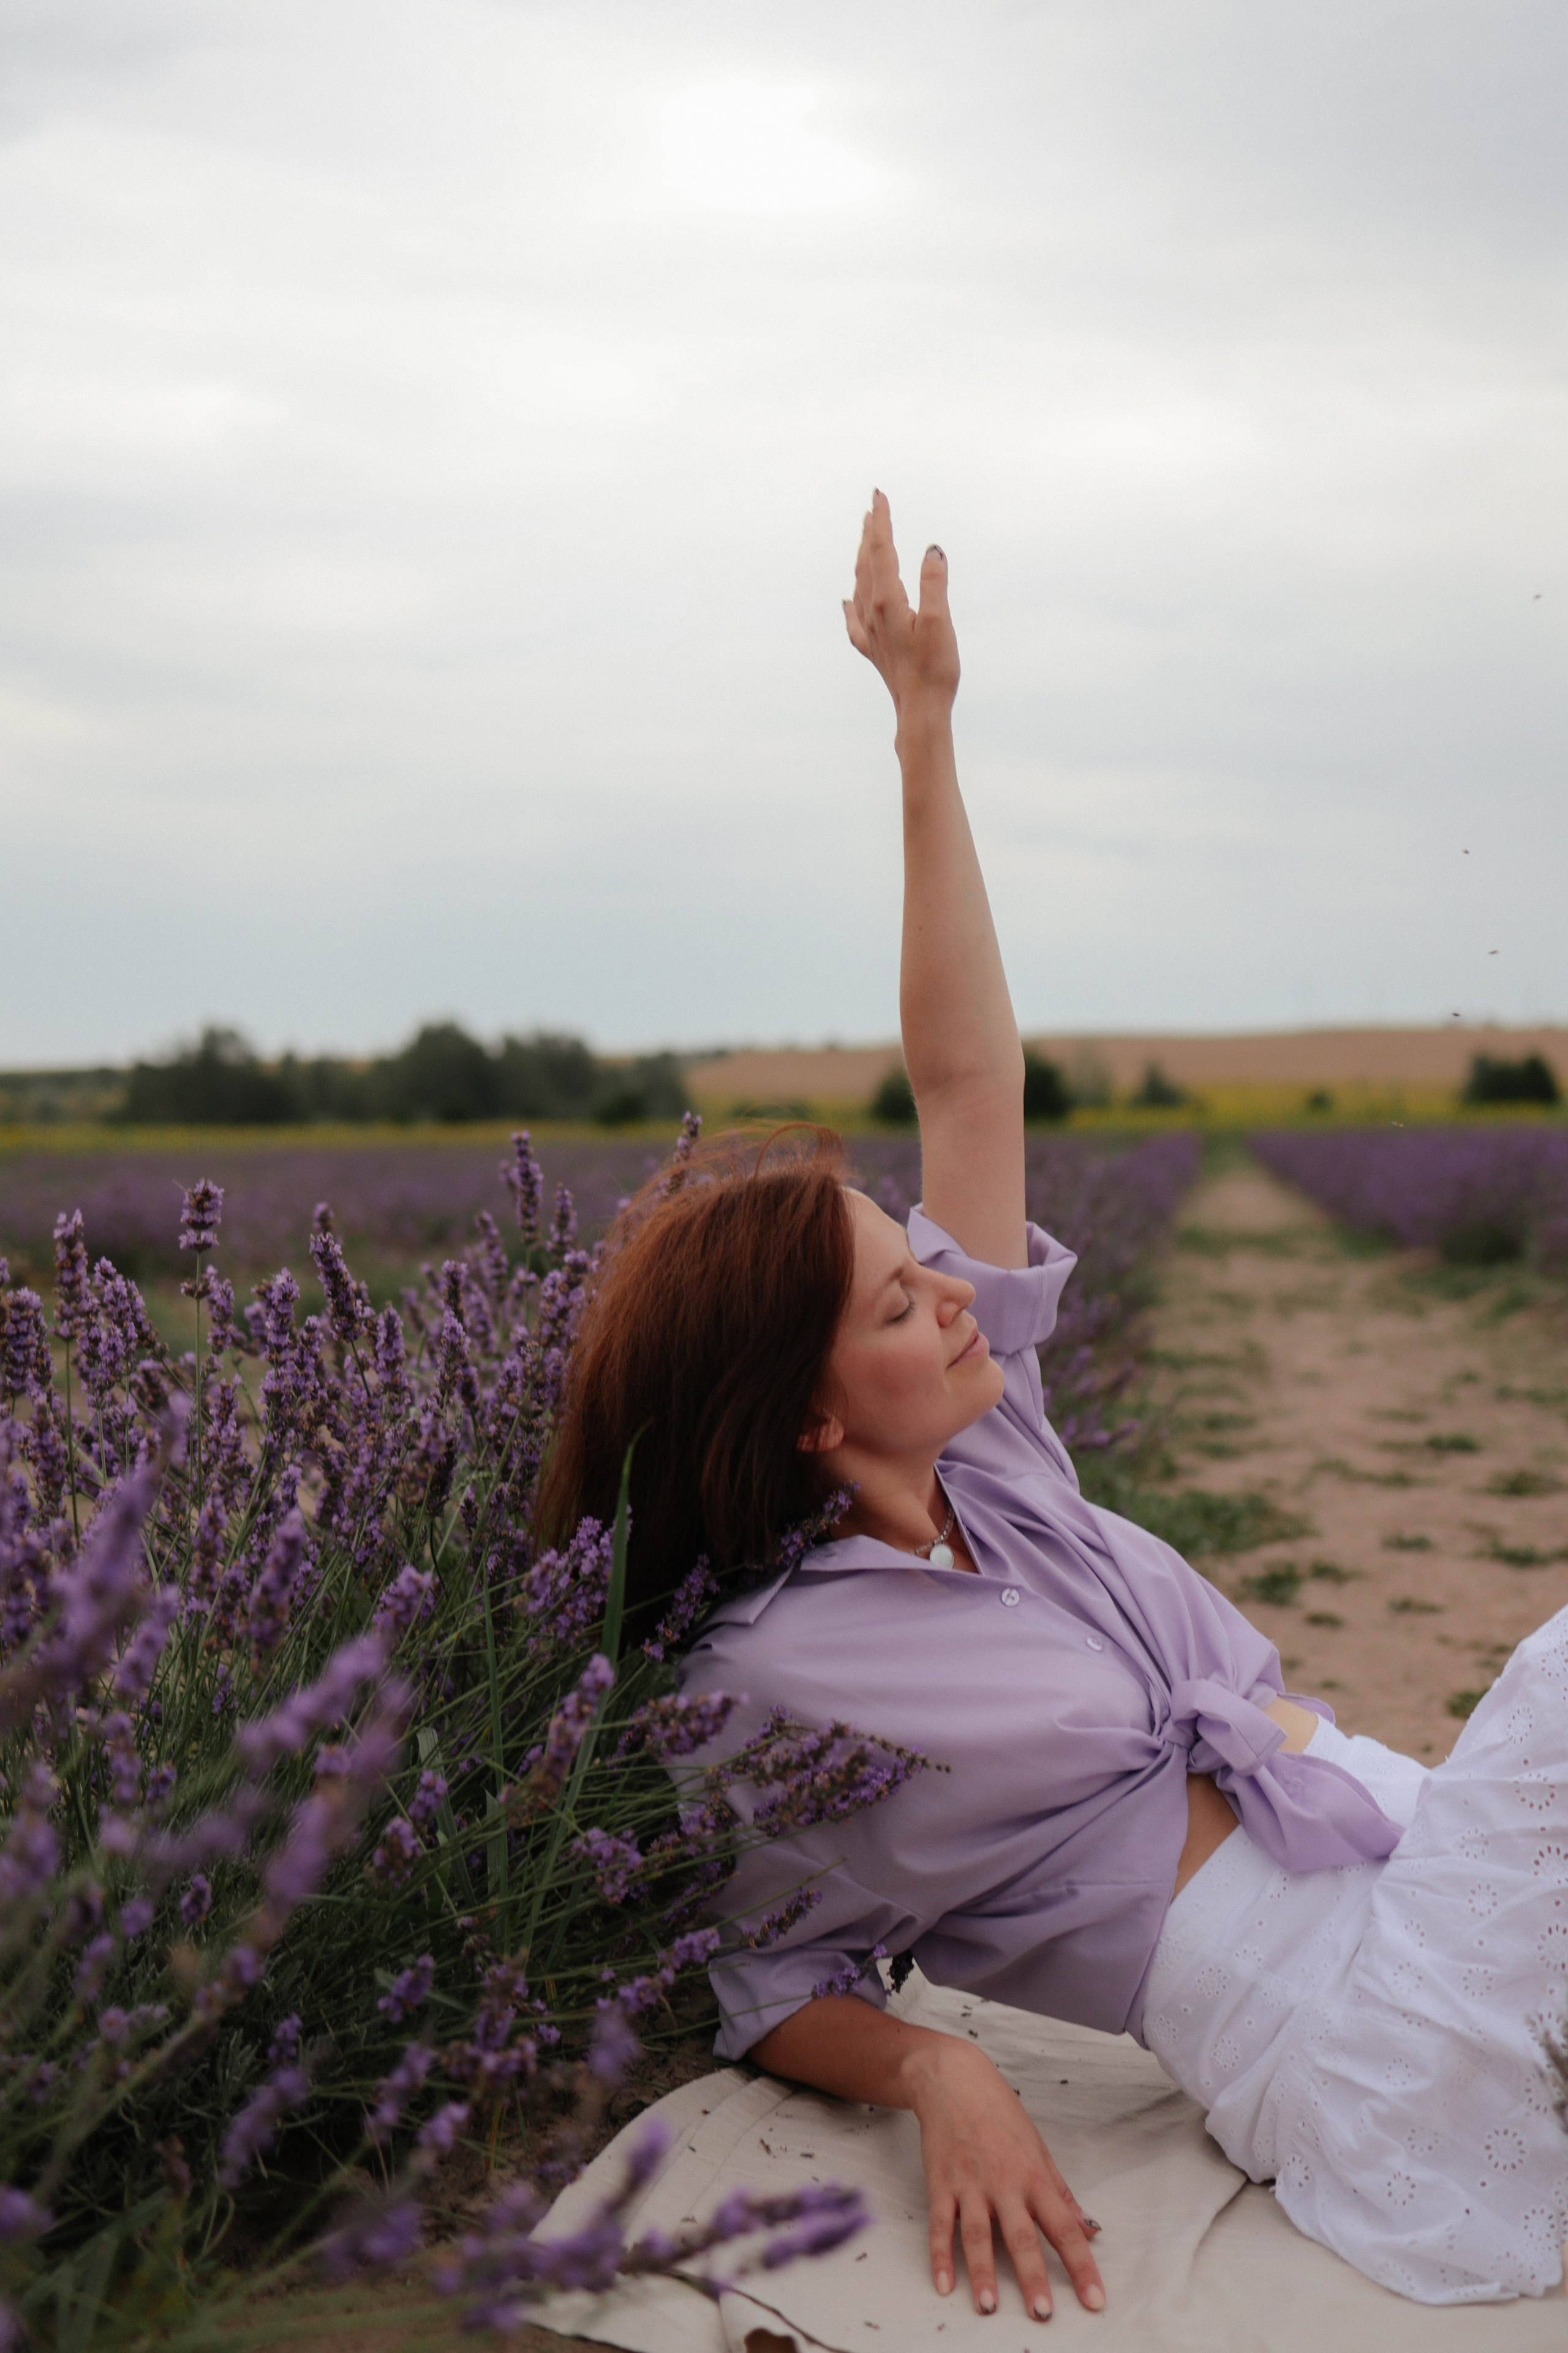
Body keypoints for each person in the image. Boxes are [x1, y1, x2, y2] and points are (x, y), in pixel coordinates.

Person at [538, 495, 1568, 2319]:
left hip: (1413, 1865)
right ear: (799, 1411)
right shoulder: (767, 1679)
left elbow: (966, 1076)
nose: (954, 1288)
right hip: (1352, 2017)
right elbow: (776, 1979)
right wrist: (942, 2065)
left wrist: (922, 729)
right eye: (897, 1294)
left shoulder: (987, 1456)